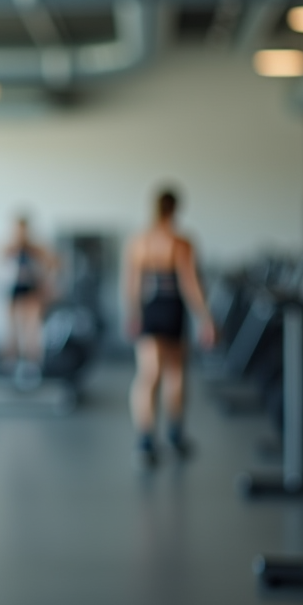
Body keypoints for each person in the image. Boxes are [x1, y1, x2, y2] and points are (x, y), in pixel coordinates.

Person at [123, 188, 215, 468]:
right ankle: (174, 435)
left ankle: (145, 440)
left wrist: (133, 314)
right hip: (173, 308)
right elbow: (190, 284)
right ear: (175, 209)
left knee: (148, 375)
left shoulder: (139, 241)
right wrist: (205, 319)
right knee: (175, 373)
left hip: (151, 309)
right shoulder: (181, 242)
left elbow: (132, 283)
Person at [0, 215, 56, 387]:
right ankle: (8, 366)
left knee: (32, 331)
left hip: (32, 292)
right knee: (10, 331)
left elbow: (54, 263)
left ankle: (32, 367)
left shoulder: (36, 249)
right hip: (12, 292)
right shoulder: (7, 248)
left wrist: (44, 279)